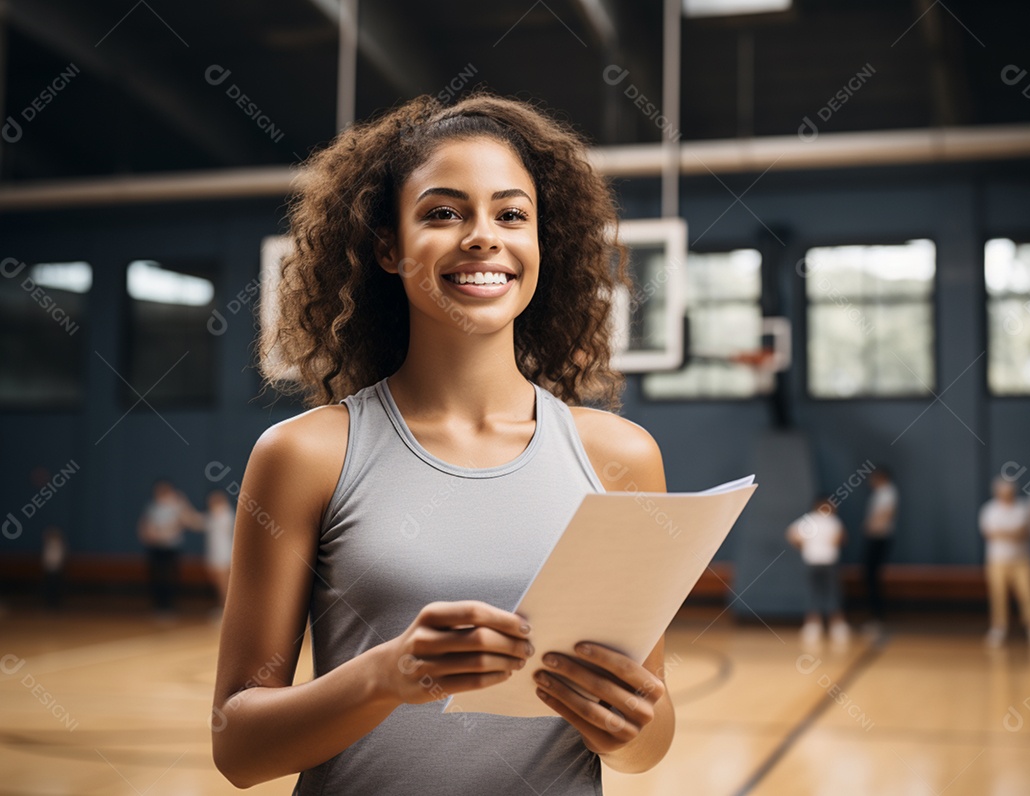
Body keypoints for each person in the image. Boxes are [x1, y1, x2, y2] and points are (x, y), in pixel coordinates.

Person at [212, 93, 675, 794]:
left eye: (511, 213)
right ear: (388, 248)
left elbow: (646, 745)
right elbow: (238, 749)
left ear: (542, 243)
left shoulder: (623, 458)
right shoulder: (305, 455)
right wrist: (383, 676)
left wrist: (632, 726)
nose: (483, 235)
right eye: (442, 212)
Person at [979, 477, 1030, 649]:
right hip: (996, 561)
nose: (1006, 494)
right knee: (998, 596)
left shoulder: (1023, 508)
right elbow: (989, 533)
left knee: (1028, 595)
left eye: (1009, 491)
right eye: (1002, 491)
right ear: (997, 492)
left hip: (1022, 561)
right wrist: (1011, 533)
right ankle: (999, 629)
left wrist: (1004, 533)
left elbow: (1024, 532)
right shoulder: (989, 509)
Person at [786, 496, 850, 645]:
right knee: (832, 592)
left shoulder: (808, 520)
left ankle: (813, 626)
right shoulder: (832, 521)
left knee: (814, 592)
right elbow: (841, 538)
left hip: (812, 561)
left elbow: (792, 534)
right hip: (828, 561)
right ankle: (837, 626)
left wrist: (803, 546)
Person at [138, 479, 199, 618]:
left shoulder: (177, 505)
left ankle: (169, 607)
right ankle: (158, 606)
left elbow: (188, 521)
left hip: (171, 548)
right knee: (156, 577)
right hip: (155, 548)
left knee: (170, 577)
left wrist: (181, 504)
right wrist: (148, 534)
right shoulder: (152, 506)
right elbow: (145, 524)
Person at [862, 466, 898, 632]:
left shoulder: (887, 492)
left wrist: (873, 527)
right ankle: (875, 616)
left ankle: (877, 617)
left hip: (880, 538)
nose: (870, 481)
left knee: (872, 576)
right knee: (870, 576)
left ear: (880, 477)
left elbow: (887, 513)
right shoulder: (881, 493)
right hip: (876, 537)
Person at [190, 490, 235, 612]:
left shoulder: (226, 515)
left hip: (224, 556)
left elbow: (199, 521)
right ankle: (223, 607)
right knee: (218, 584)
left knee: (224, 584)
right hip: (213, 556)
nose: (212, 503)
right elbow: (196, 522)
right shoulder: (213, 516)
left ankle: (227, 610)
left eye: (215, 500)